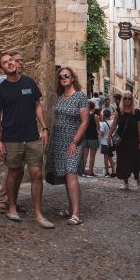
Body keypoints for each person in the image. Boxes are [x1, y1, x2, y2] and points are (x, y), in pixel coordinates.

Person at [0, 53, 53, 228]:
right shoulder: (1, 89)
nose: (9, 63)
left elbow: (37, 106)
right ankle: (11, 207)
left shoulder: (29, 82)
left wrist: (45, 128)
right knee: (14, 172)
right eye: (5, 62)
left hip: (32, 137)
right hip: (11, 138)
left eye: (11, 60)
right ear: (1, 68)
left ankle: (38, 213)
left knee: (37, 174)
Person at [47, 65, 90, 225]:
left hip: (73, 141)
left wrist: (74, 141)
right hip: (58, 141)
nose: (64, 78)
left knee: (71, 173)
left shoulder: (80, 97)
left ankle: (76, 214)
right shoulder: (59, 96)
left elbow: (85, 122)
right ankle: (71, 209)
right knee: (66, 175)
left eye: (67, 76)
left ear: (73, 79)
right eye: (61, 76)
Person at [0, 50, 25, 213]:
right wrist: (1, 128)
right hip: (9, 131)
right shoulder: (2, 82)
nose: (19, 63)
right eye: (16, 60)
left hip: (22, 131)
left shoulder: (23, 81)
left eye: (20, 61)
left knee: (19, 168)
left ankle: (12, 201)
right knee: (13, 168)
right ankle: (3, 201)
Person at [109, 92, 140, 191]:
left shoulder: (137, 112)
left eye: (129, 98)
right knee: (123, 162)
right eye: (125, 98)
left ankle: (138, 179)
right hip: (122, 142)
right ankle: (126, 183)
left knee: (135, 162)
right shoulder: (119, 111)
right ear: (123, 100)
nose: (127, 100)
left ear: (132, 100)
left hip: (134, 141)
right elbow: (114, 125)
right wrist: (109, 136)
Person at [83, 100, 101, 176]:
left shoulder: (84, 116)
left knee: (85, 156)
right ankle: (90, 171)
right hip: (93, 137)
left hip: (85, 137)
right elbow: (98, 127)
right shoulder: (95, 116)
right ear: (93, 108)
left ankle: (82, 170)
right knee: (92, 157)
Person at [99, 109, 116, 177]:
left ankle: (107, 172)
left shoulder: (103, 124)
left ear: (104, 116)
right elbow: (115, 129)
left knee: (106, 158)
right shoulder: (113, 122)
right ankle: (114, 171)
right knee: (110, 157)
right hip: (111, 142)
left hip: (105, 142)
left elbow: (102, 134)